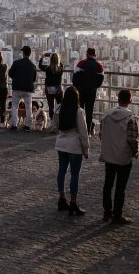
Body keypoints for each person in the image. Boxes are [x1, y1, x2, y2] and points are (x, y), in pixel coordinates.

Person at [100, 89, 139, 224]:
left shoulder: (106, 114)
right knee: (120, 187)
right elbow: (132, 139)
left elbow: (101, 134)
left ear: (118, 99)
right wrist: (135, 153)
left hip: (109, 155)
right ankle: (117, 214)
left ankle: (106, 212)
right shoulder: (131, 118)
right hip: (123, 157)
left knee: (107, 184)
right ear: (130, 100)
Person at [55, 86, 89, 216]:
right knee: (74, 174)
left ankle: (62, 199)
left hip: (61, 143)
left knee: (61, 171)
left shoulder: (59, 109)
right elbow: (83, 132)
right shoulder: (79, 111)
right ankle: (73, 203)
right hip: (74, 146)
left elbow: (54, 126)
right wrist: (86, 149)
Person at [73, 47, 104, 134]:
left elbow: (74, 78)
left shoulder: (81, 63)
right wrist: (94, 87)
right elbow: (101, 79)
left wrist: (78, 87)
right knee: (89, 111)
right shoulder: (99, 65)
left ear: (87, 54)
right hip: (92, 91)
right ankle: (88, 131)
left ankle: (79, 129)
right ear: (95, 55)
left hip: (81, 91)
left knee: (80, 110)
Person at [8, 46, 37, 131]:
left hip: (17, 88)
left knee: (14, 107)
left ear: (23, 53)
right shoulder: (33, 66)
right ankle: (27, 125)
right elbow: (34, 79)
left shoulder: (16, 63)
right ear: (30, 53)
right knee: (28, 107)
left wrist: (16, 78)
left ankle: (14, 125)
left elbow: (10, 73)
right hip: (28, 89)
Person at [39, 52, 64, 120]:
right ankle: (59, 121)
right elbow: (61, 64)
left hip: (49, 89)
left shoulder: (47, 68)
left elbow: (40, 66)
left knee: (51, 107)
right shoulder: (60, 69)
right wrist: (56, 57)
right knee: (60, 106)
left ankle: (53, 122)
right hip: (58, 89)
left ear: (50, 60)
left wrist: (42, 57)